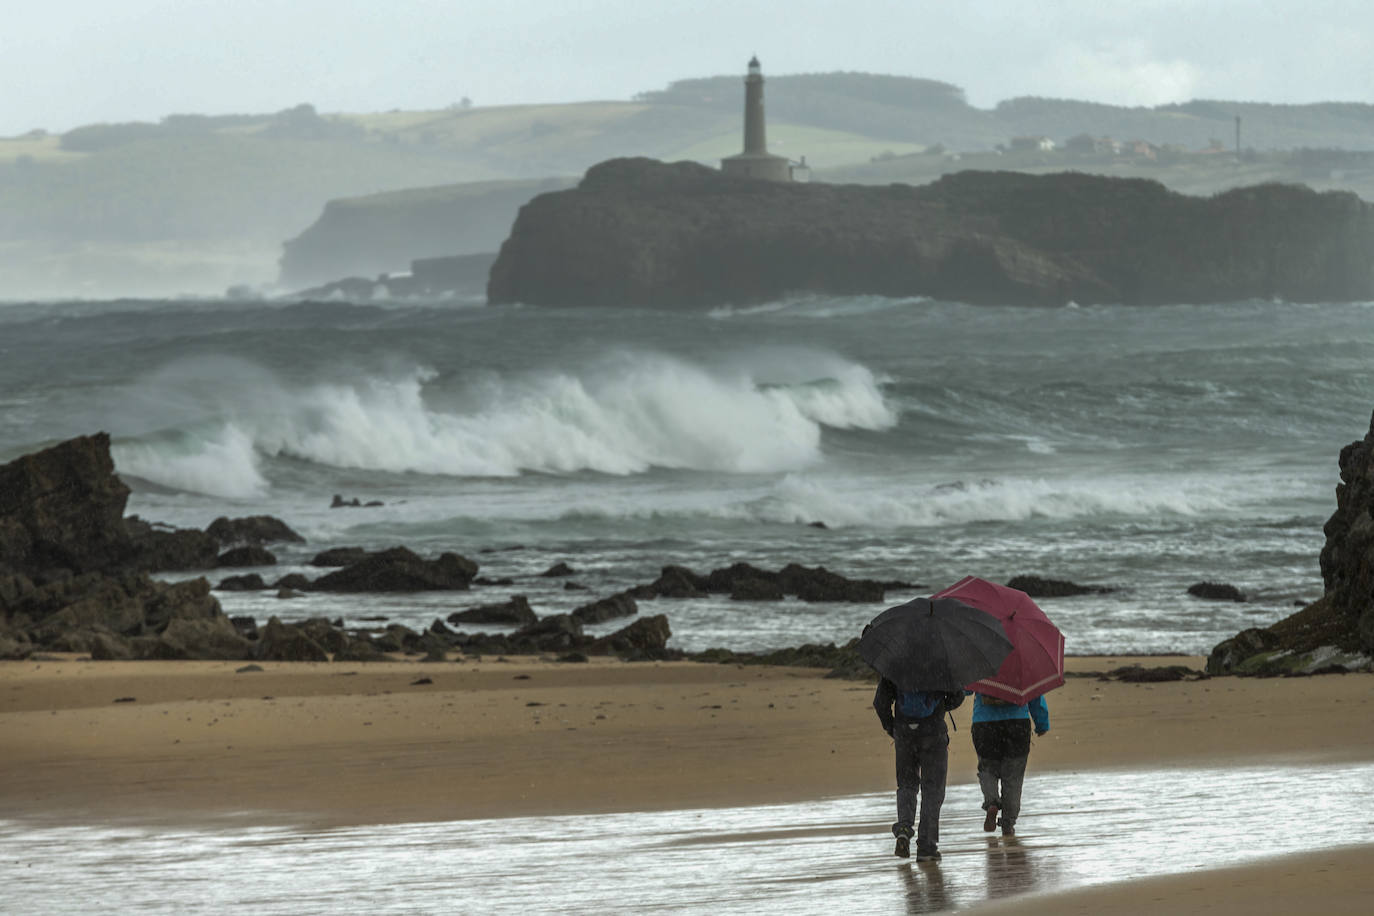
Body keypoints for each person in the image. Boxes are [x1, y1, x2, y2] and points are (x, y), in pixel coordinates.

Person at [873, 677, 964, 861]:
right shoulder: (941, 665)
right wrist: (940, 705)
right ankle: (926, 846)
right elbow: (958, 696)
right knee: (932, 790)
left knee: (907, 785)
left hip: (904, 733)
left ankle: (904, 830)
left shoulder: (895, 665)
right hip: (934, 732)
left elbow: (880, 703)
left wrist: (892, 727)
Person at [968, 691, 1050, 837]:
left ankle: (992, 801)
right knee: (1013, 778)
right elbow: (1034, 695)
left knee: (987, 769)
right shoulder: (1022, 668)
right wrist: (1042, 722)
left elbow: (966, 688)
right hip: (1017, 723)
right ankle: (1008, 823)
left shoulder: (980, 667)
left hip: (984, 724)